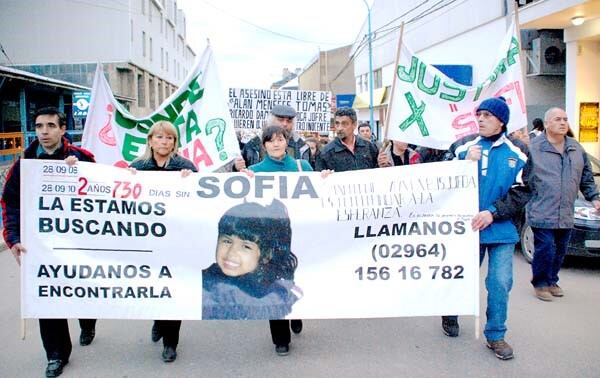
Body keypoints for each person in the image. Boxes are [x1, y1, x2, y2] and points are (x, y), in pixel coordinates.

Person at [1, 107, 97, 378]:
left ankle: (88, 322)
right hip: (42, 246)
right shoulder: (24, 165)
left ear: (62, 129)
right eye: (40, 126)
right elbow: (11, 203)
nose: (44, 131)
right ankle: (56, 354)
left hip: (78, 243)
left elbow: (104, 194)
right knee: (48, 297)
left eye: (51, 126)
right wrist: (14, 239)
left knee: (80, 290)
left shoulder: (81, 158)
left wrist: (79, 173)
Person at [440, 97, 527, 360]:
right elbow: (436, 177)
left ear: (501, 121)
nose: (480, 119)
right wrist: (462, 161)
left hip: (500, 230)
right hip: (465, 229)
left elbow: (524, 191)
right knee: (459, 277)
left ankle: (496, 335)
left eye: (487, 116)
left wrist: (493, 212)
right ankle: (450, 312)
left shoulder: (519, 152)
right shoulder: (462, 146)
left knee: (500, 282)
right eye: (479, 115)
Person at [129, 120, 197, 363]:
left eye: (169, 138)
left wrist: (191, 181)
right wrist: (128, 180)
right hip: (148, 241)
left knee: (173, 290)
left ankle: (170, 342)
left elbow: (200, 202)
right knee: (153, 286)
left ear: (175, 142)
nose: (164, 142)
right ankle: (158, 319)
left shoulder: (186, 167)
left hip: (176, 241)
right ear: (150, 140)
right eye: (159, 137)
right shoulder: (137, 167)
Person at [244, 124, 312, 355]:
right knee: (273, 283)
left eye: (280, 139)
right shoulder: (254, 172)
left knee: (298, 277)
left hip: (301, 234)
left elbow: (322, 194)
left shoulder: (303, 167)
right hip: (269, 238)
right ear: (264, 145)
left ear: (287, 142)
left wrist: (324, 179)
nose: (276, 143)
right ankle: (280, 339)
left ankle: (297, 312)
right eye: (270, 140)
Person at [201, 200, 302, 348]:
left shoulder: (273, 290)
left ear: (266, 255)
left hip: (269, 288)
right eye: (227, 241)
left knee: (278, 304)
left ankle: (282, 340)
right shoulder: (205, 280)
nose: (231, 253)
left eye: (246, 246)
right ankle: (162, 324)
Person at [524, 107, 600, 301]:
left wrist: (594, 197)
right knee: (546, 248)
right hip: (542, 209)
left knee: (560, 250)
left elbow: (586, 177)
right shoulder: (534, 148)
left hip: (566, 210)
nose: (563, 122)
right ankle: (540, 284)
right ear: (547, 124)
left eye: (565, 119)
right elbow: (522, 178)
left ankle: (552, 280)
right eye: (557, 119)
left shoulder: (575, 148)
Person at [234, 105, 310, 171]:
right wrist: (236, 168)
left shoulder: (302, 146)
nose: (284, 124)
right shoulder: (253, 145)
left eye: (288, 121)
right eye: (280, 120)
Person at [316, 107, 381, 171]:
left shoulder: (369, 147)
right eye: (337, 123)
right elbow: (318, 177)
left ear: (354, 125)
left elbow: (378, 172)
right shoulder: (325, 153)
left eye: (344, 124)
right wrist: (324, 176)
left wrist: (383, 165)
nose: (339, 128)